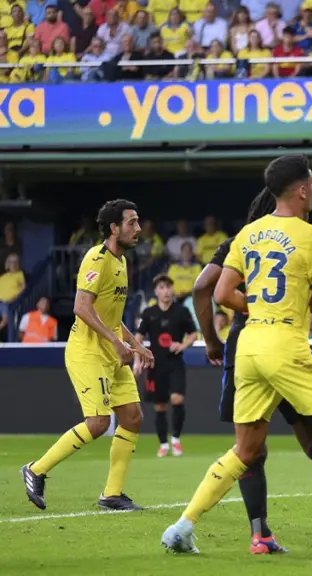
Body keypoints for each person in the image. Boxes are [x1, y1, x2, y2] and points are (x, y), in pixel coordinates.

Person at [162, 155, 312, 559]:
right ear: (300, 190)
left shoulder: (248, 234)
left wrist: (259, 302)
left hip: (247, 348)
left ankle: (182, 526)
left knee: (245, 450)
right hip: (285, 344)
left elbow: (223, 293)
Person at [21, 200, 155, 512]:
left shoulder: (121, 262)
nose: (138, 229)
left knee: (132, 417)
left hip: (112, 352)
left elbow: (112, 317)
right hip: (87, 353)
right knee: (97, 422)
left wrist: (136, 344)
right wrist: (116, 343)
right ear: (114, 228)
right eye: (132, 223)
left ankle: (112, 494)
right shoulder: (97, 258)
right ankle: (36, 470)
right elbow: (81, 308)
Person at [134, 274, 197, 458]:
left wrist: (182, 345)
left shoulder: (182, 312)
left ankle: (176, 439)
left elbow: (193, 334)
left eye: (168, 287)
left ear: (172, 289)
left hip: (175, 363)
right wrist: (137, 361)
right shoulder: (149, 313)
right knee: (160, 406)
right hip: (155, 365)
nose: (166, 291)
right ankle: (163, 443)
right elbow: (138, 338)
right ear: (156, 291)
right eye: (161, 288)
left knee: (177, 399)